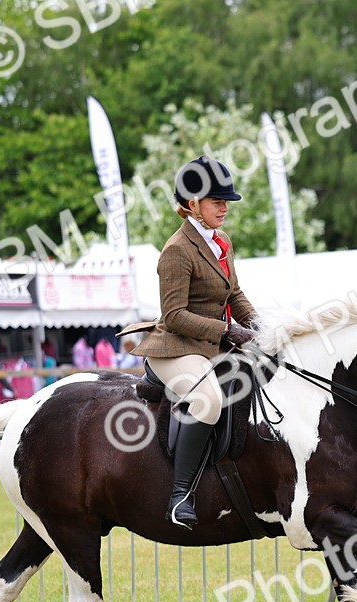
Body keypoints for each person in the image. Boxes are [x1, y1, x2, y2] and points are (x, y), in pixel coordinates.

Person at [122, 155, 259, 529]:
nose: (224, 207)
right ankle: (179, 495)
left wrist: (260, 325)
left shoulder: (222, 242)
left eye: (225, 201)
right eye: (217, 201)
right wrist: (228, 331)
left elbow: (235, 293)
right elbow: (174, 316)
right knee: (209, 401)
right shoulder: (176, 251)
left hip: (212, 345)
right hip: (175, 347)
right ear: (192, 205)